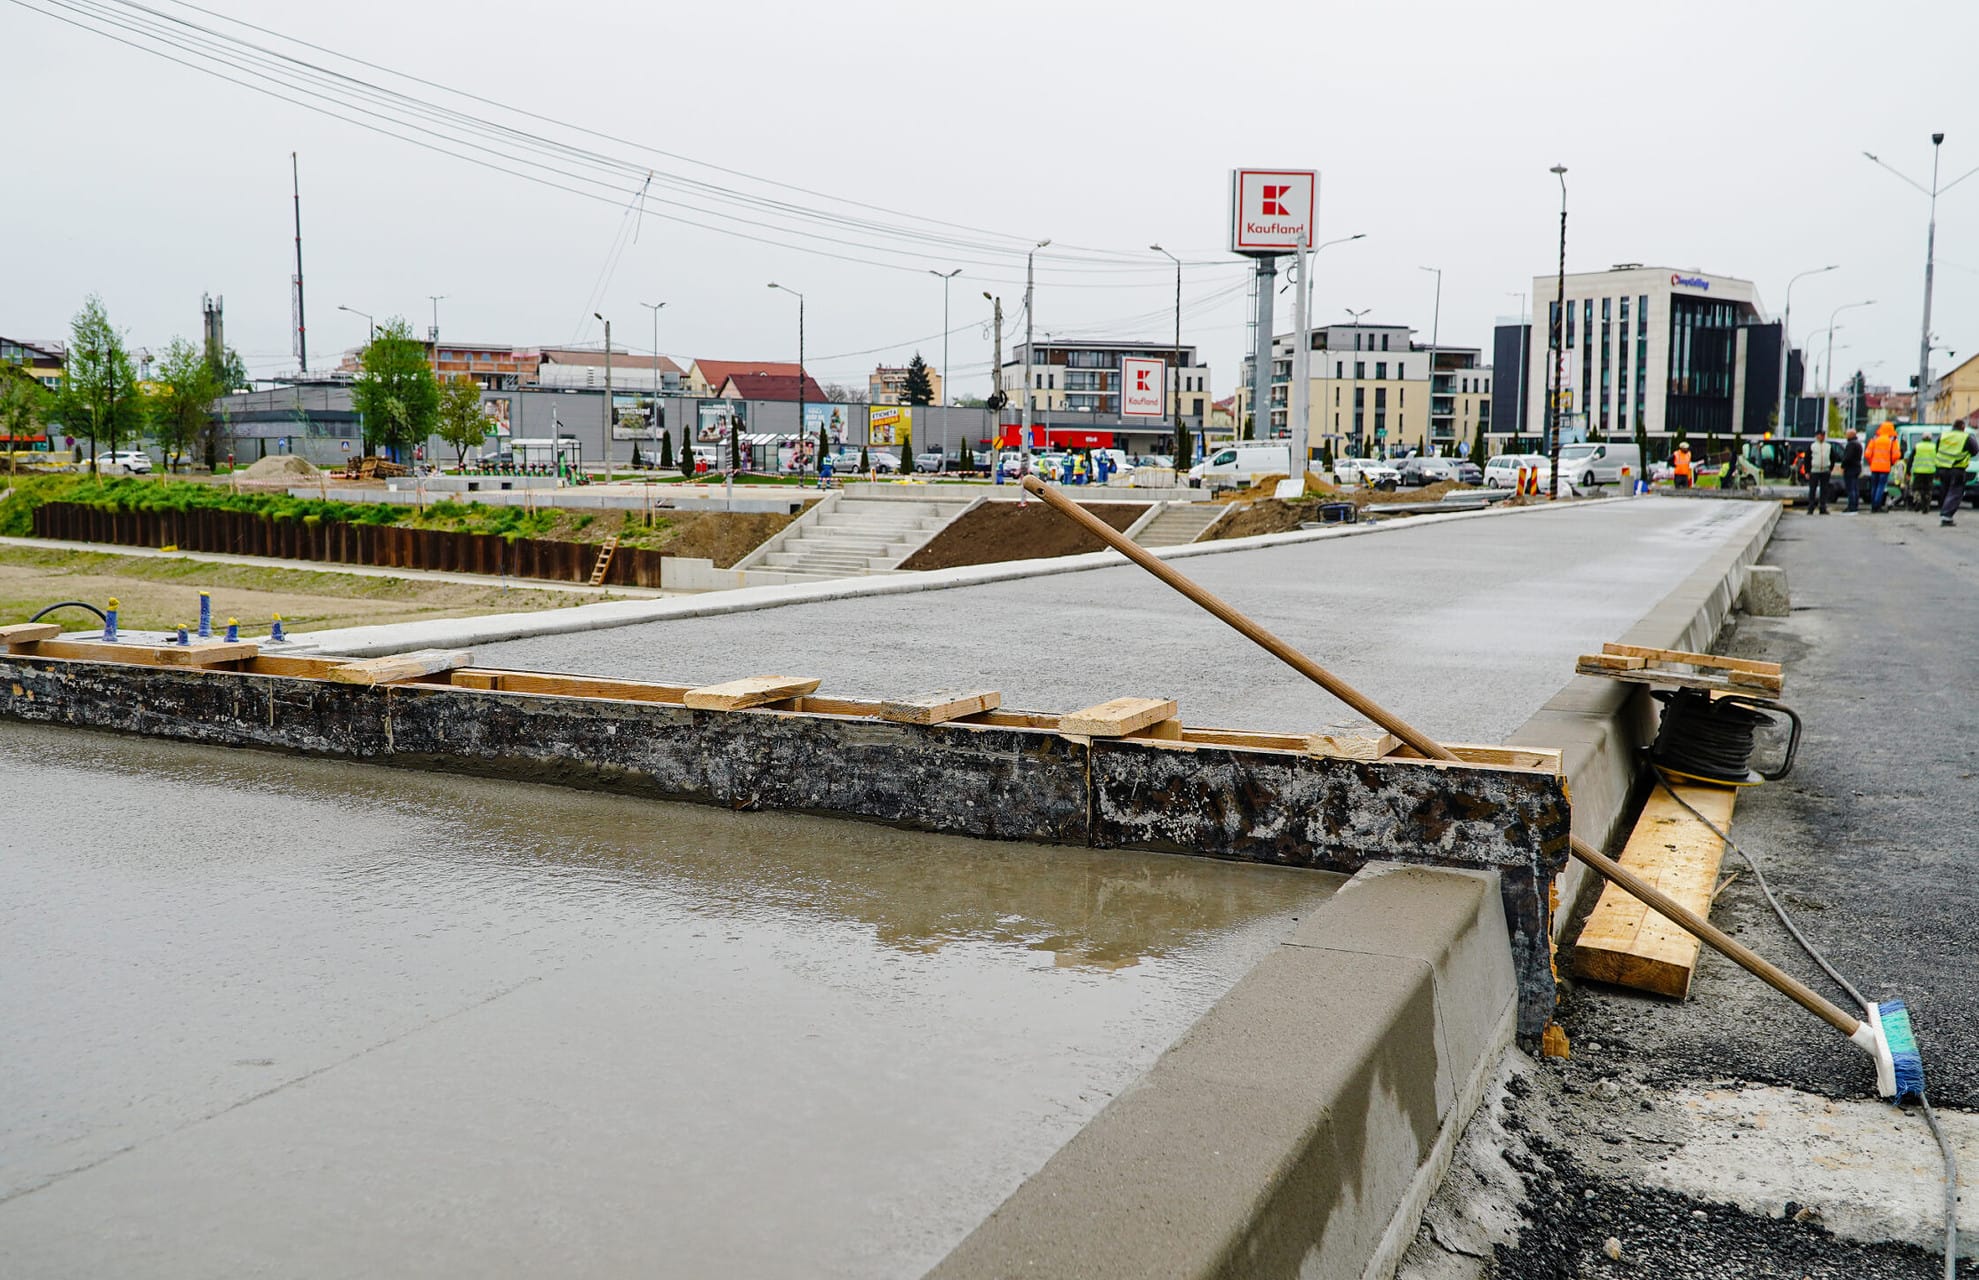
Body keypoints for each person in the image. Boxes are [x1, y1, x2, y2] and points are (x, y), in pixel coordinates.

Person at [1937, 421, 1973, 526]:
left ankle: (1944, 511)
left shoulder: (1943, 436)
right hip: (1957, 469)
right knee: (1955, 492)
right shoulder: (1966, 437)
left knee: (1946, 490)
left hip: (1943, 468)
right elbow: (1975, 450)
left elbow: (1937, 449)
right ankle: (1946, 515)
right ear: (1962, 427)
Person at [1864, 422, 1900, 512]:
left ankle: (1873, 506)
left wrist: (1871, 462)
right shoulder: (1892, 440)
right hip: (1885, 468)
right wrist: (1891, 462)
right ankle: (1877, 506)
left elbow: (1867, 454)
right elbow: (1896, 455)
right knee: (1881, 487)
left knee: (1874, 487)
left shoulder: (1875, 439)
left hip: (1874, 467)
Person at [1805, 430, 1832, 514]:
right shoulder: (1812, 446)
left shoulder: (1828, 446)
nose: (1822, 437)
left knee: (1824, 490)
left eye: (1823, 435)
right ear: (1817, 436)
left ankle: (1823, 507)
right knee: (1812, 490)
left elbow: (1833, 457)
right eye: (1820, 435)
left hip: (1825, 470)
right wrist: (1807, 471)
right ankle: (1811, 507)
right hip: (1814, 471)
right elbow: (1807, 459)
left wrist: (1830, 468)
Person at [1911, 433, 1939, 511]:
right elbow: (1938, 460)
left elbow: (1911, 459)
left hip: (1918, 471)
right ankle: (1926, 505)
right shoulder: (1934, 447)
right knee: (1928, 489)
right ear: (1930, 439)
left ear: (1922, 438)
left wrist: (1908, 471)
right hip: (1930, 471)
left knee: (1916, 488)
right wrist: (1938, 473)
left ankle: (1918, 500)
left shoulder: (1917, 446)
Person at [1840, 427, 1864, 512]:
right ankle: (1855, 505)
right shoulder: (1858, 444)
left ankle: (1851, 506)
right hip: (1857, 468)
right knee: (1855, 488)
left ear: (1851, 435)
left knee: (1851, 488)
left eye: (1847, 434)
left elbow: (1847, 457)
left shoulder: (1851, 444)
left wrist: (1843, 466)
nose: (1846, 436)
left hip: (1850, 469)